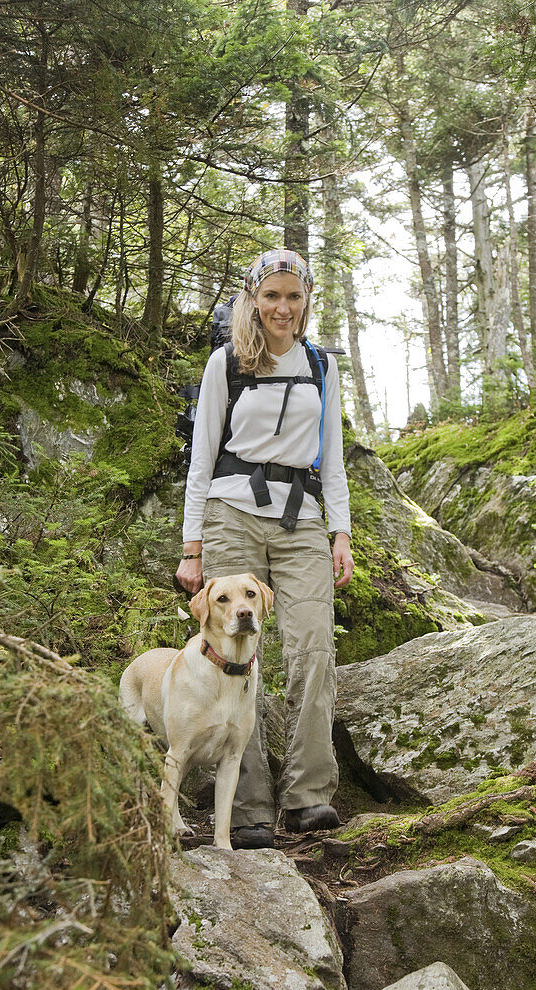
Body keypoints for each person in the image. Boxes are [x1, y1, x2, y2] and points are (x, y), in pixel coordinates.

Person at [175, 248, 354, 849]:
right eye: (271, 295)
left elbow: (331, 457)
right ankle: (247, 806)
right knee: (232, 654)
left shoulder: (321, 366)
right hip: (230, 511)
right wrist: (192, 545)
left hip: (300, 516)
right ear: (253, 298)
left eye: (293, 296)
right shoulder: (225, 364)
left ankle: (308, 796)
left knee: (313, 647)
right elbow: (201, 457)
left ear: (306, 301)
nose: (282, 306)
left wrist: (340, 532)